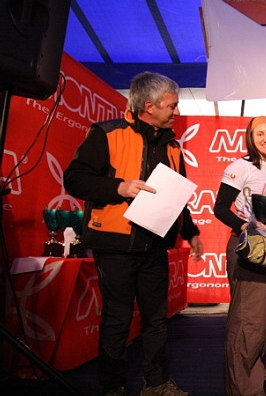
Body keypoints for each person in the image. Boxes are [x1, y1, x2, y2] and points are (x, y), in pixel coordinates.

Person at [63, 71, 202, 396]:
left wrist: (191, 231)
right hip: (115, 244)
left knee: (156, 319)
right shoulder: (106, 134)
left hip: (155, 245)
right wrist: (120, 188)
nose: (177, 111)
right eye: (172, 105)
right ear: (149, 106)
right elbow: (74, 179)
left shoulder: (173, 146)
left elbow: (176, 199)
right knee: (118, 318)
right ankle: (114, 386)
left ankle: (156, 384)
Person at [213, 116, 266, 396]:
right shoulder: (239, 167)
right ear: (250, 138)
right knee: (247, 321)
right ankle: (243, 388)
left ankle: (253, 372)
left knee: (264, 320)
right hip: (246, 249)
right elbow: (220, 208)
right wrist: (245, 227)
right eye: (259, 133)